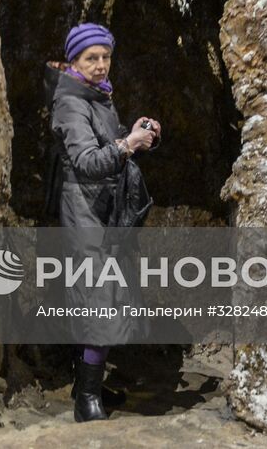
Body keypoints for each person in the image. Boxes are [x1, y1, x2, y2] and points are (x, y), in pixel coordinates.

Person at [49, 22, 160, 423]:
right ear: (74, 62)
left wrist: (136, 136)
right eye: (90, 58)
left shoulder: (98, 96)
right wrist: (127, 144)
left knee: (107, 298)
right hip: (85, 213)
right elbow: (87, 162)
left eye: (105, 56)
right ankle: (87, 400)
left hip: (104, 211)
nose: (101, 65)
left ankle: (86, 386)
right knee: (98, 302)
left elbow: (107, 148)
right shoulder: (70, 102)